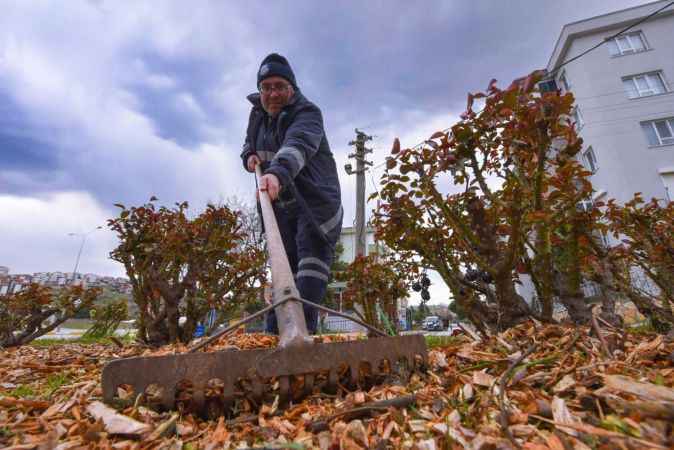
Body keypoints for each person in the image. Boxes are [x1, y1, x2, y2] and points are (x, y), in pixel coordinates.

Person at [241, 53, 343, 334]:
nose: (272, 94)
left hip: (315, 206)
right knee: (283, 274)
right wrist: (248, 155)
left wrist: (276, 172)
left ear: (292, 89)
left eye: (279, 86)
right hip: (280, 207)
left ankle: (301, 340)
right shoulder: (257, 116)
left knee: (308, 275)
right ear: (260, 90)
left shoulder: (308, 113)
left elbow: (297, 145)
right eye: (266, 87)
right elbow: (249, 143)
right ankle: (273, 339)